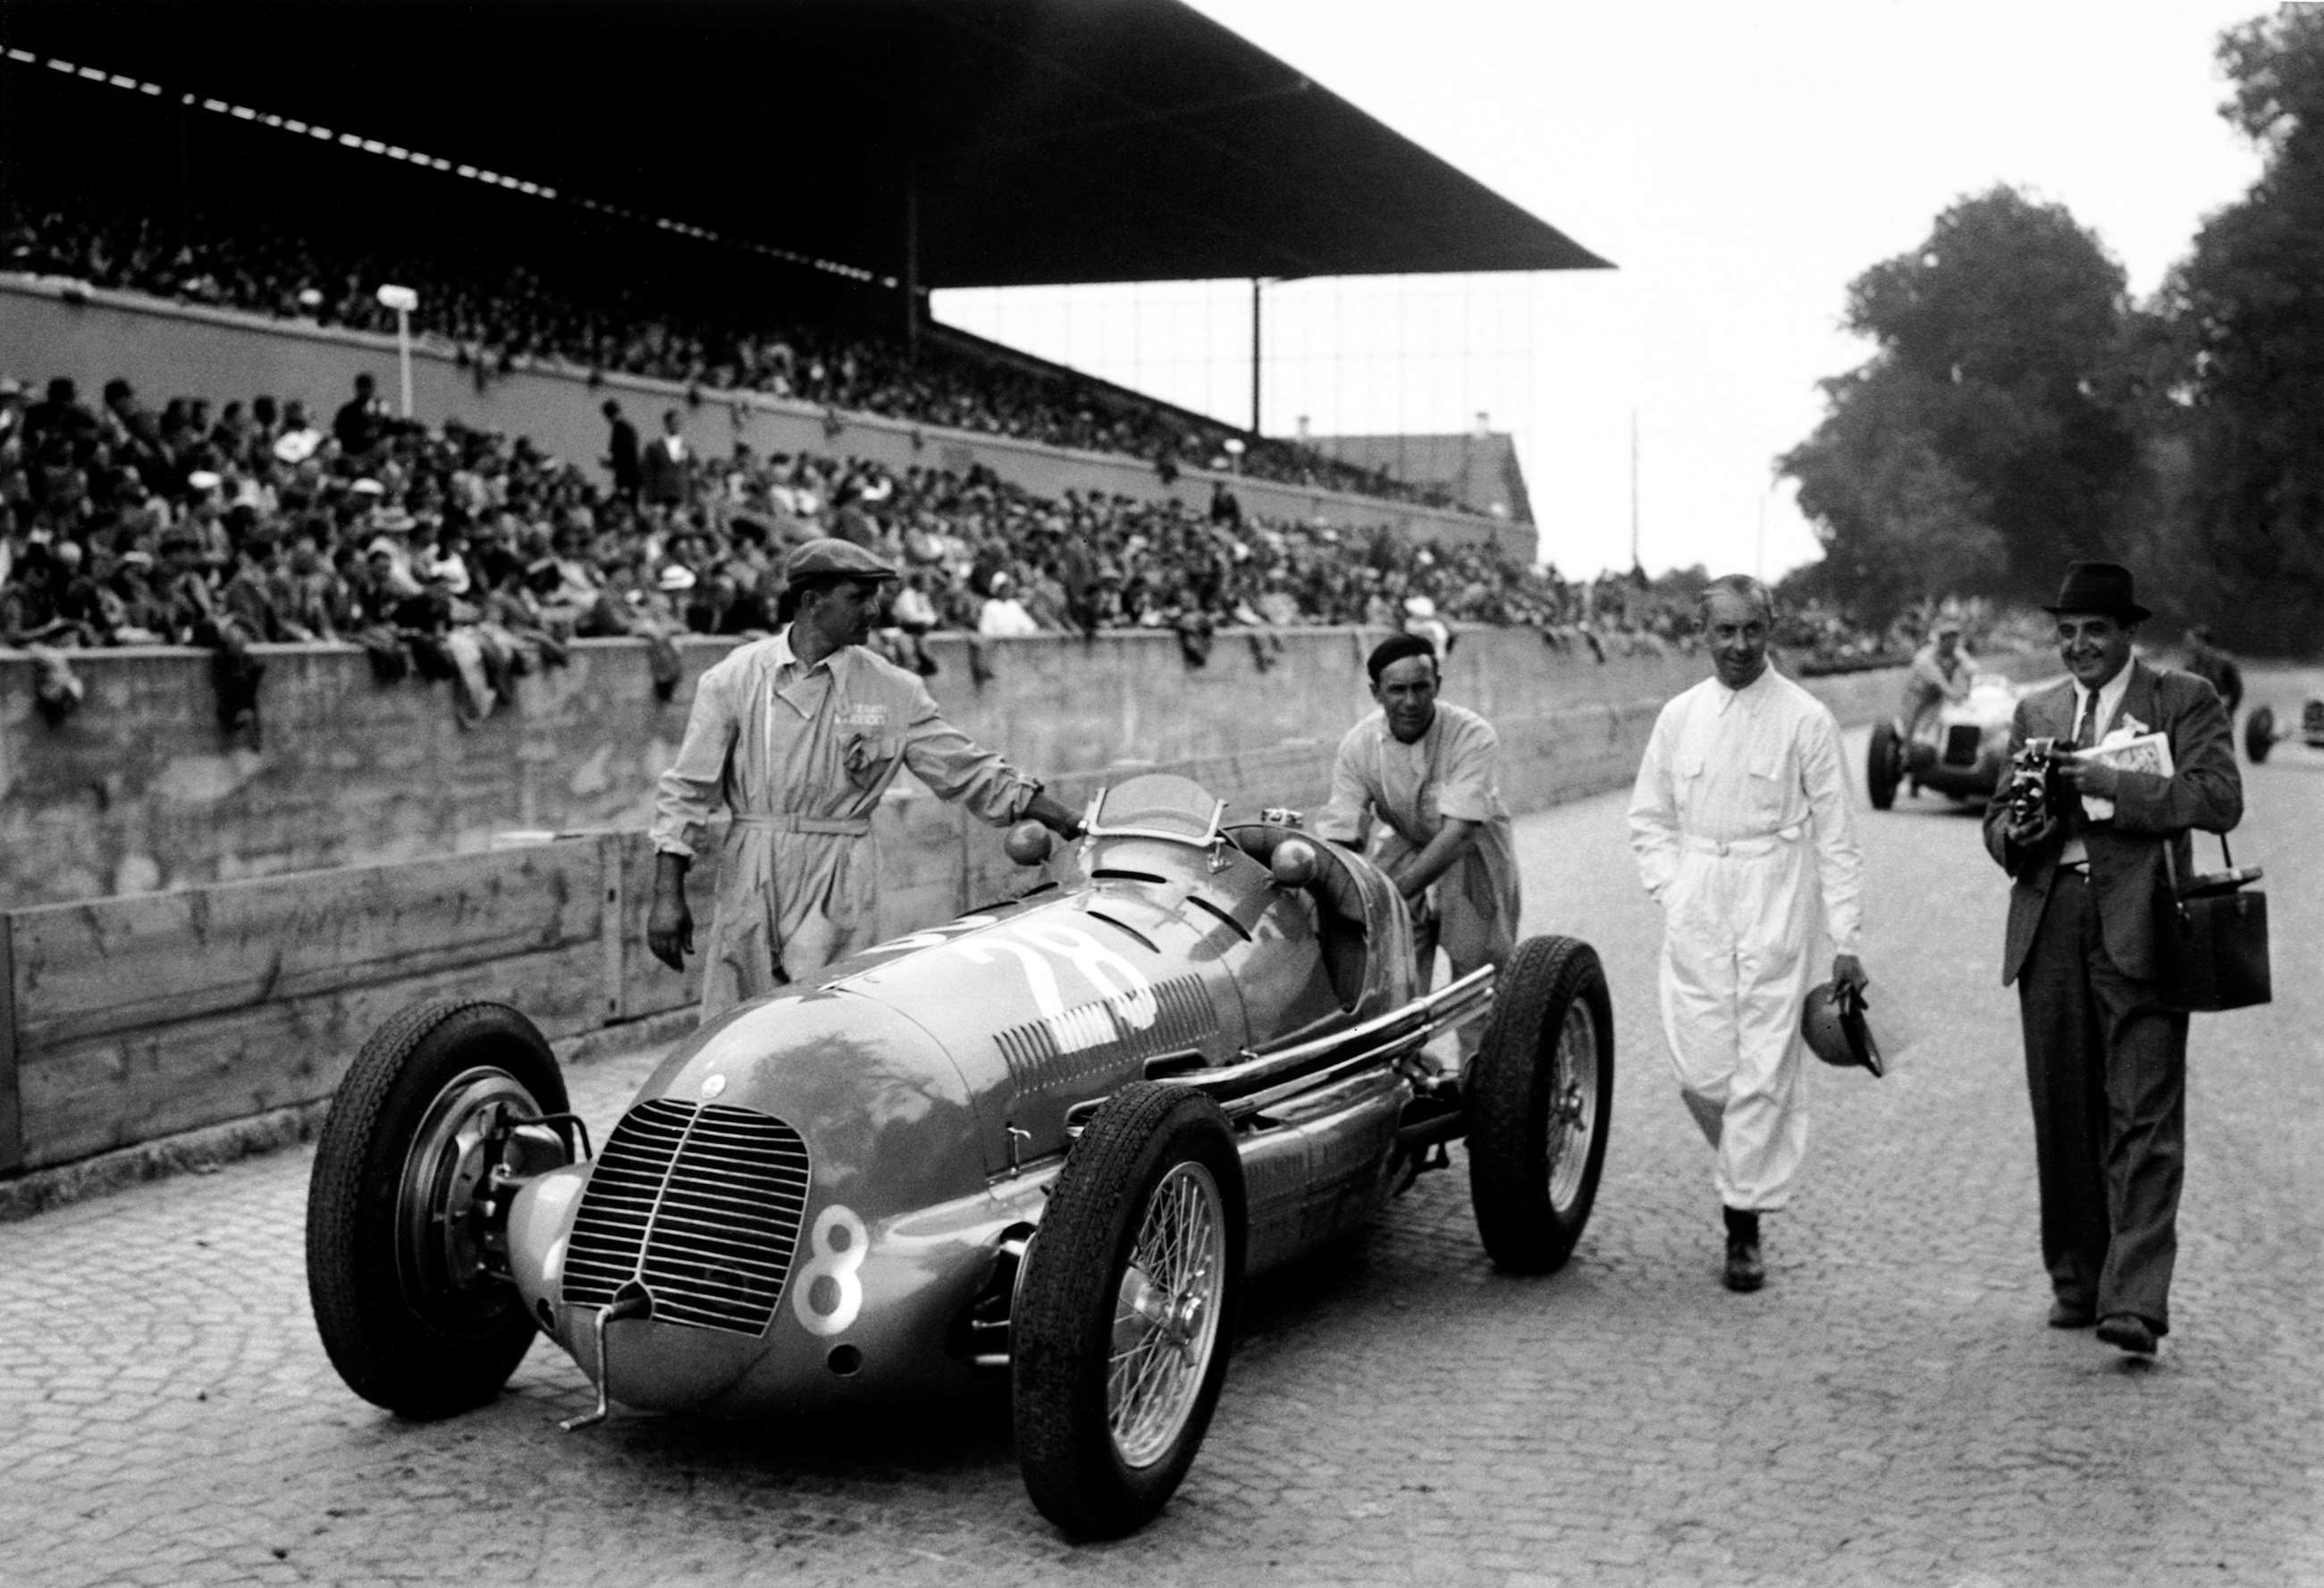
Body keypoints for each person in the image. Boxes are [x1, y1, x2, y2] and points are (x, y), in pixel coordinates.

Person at [647, 538, 1083, 1020]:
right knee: (736, 1021)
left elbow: (968, 769)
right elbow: (687, 791)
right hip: (751, 867)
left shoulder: (892, 688)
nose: (874, 610)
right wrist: (667, 895)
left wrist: (1067, 821)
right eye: (858, 598)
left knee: (824, 1016)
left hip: (840, 873)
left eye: (876, 596)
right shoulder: (734, 678)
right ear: (813, 602)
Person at [1982, 563, 2241, 1357]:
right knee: (2062, 1110)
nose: (2079, 646)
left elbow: (2220, 798)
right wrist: (2014, 835)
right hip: (2050, 917)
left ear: (2128, 634)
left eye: (2095, 631)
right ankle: (2077, 1280)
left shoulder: (2182, 697)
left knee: (2145, 1112)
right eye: (2066, 632)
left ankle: (2134, 1300)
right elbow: (1997, 818)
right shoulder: (2037, 709)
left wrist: (2111, 783)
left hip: (2145, 920)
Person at [1628, 575, 1866, 1294]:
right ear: (1703, 635)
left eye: (1751, 629)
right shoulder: (1678, 716)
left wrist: (1845, 937)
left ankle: (1743, 1226)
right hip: (1700, 890)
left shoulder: (1807, 718)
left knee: (1765, 1064)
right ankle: (1748, 1166)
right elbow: (1648, 817)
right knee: (1701, 1068)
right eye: (1724, 631)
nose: (1738, 645)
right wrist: (1674, 887)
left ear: (1772, 629)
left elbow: (1838, 836)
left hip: (1776, 891)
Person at [1314, 633, 1520, 1066]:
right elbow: (1342, 830)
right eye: (1397, 690)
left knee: (1479, 975)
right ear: (1376, 693)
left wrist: (1393, 893)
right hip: (1405, 843)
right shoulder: (1358, 745)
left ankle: (1482, 1089)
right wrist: (1337, 890)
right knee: (1388, 973)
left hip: (1471, 851)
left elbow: (1458, 833)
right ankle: (1402, 1075)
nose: (1410, 701)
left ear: (1437, 685)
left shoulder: (1472, 734)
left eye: (1421, 687)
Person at [1901, 609, 1975, 738]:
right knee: (1911, 726)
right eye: (1948, 637)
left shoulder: (1957, 654)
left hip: (1937, 696)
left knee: (1940, 723)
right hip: (1918, 695)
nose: (1952, 641)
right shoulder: (1925, 658)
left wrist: (1969, 690)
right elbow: (1940, 682)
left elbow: (1971, 670)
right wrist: (1958, 696)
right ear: (1940, 639)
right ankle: (1907, 752)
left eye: (1954, 636)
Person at [2180, 625, 2243, 737]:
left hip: (2220, 716)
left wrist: (2229, 710)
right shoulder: (2190, 665)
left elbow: (2237, 690)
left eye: (2190, 641)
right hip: (2197, 718)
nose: (2186, 644)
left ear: (2201, 641)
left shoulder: (2224, 662)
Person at [600, 399, 641, 502]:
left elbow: (624, 457)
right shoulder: (626, 428)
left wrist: (609, 463)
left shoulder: (620, 429)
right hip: (630, 476)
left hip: (626, 478)